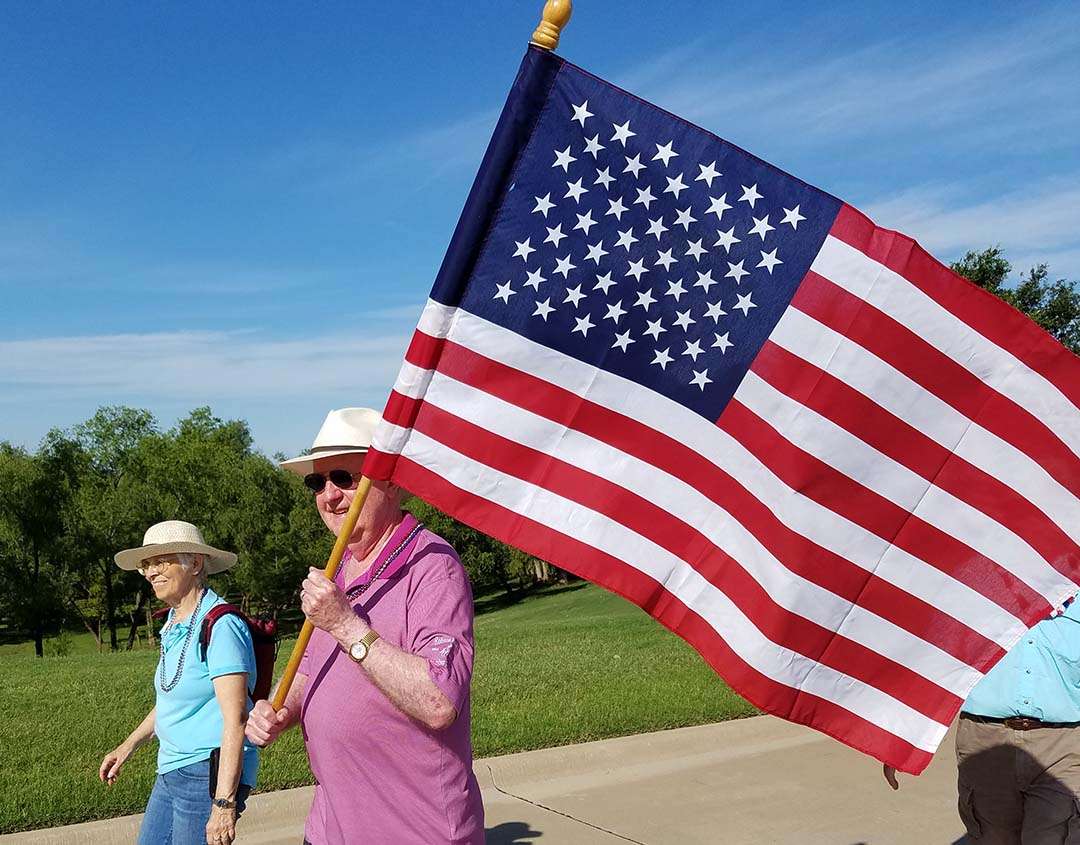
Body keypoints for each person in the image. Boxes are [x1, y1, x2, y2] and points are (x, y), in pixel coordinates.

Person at [245, 407, 484, 845]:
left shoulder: (432, 566)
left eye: (343, 477)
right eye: (317, 482)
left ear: (390, 480)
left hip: (416, 830)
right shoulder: (340, 569)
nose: (328, 495)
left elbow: (438, 701)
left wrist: (346, 625)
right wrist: (281, 710)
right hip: (331, 827)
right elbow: (309, 669)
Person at [100, 520, 259, 845]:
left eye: (160, 561)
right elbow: (171, 701)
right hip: (171, 769)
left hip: (204, 772)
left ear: (196, 563)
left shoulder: (221, 625)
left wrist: (223, 803)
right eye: (146, 564)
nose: (149, 572)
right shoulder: (174, 622)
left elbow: (237, 717)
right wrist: (127, 746)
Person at [883, 595, 1080, 844]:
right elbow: (935, 664)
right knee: (991, 838)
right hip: (984, 742)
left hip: (1062, 747)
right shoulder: (976, 594)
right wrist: (899, 737)